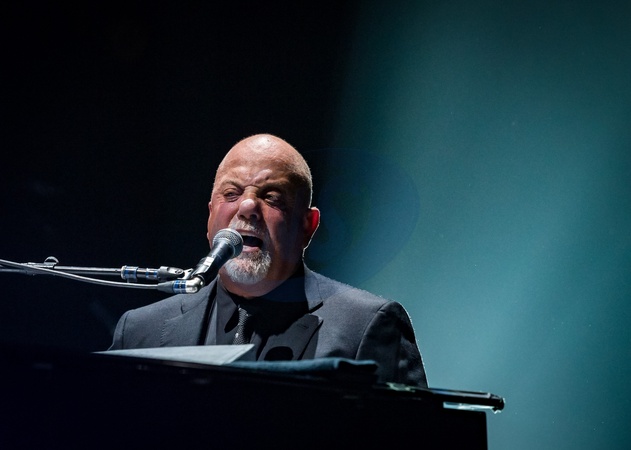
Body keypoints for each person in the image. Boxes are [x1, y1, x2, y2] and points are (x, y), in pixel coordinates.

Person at [109, 133, 428, 387]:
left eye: (272, 197)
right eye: (231, 194)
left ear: (308, 226)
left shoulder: (367, 325)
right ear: (210, 218)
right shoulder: (138, 331)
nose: (247, 207)